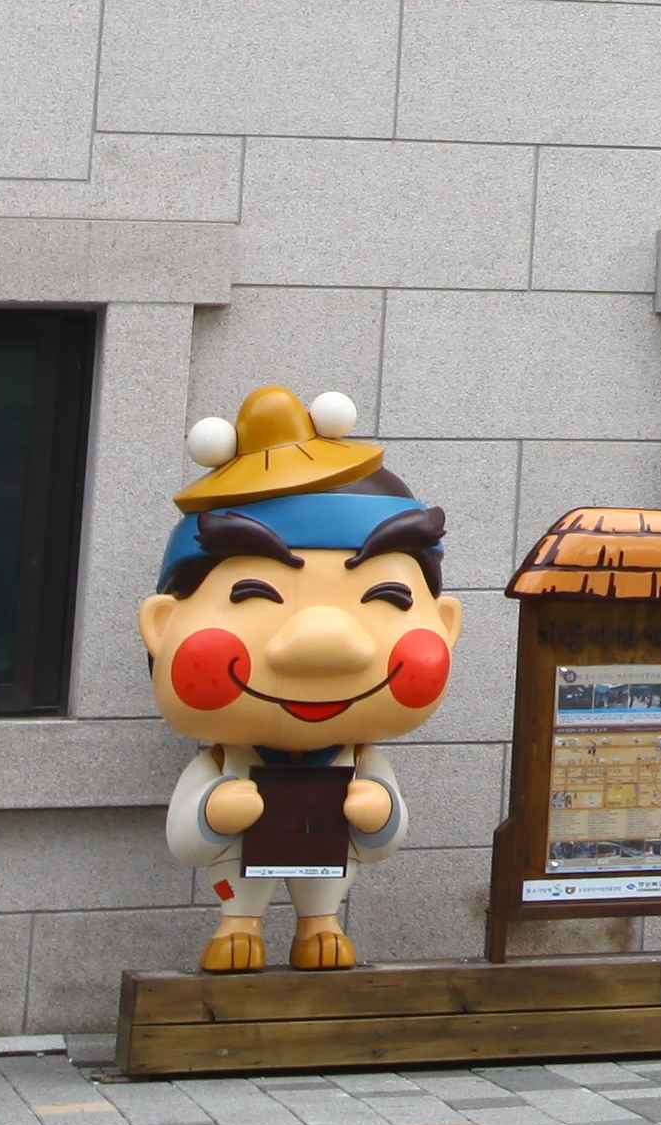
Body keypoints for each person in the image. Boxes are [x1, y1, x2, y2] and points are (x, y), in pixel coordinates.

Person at [142, 385, 463, 974]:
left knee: (329, 870)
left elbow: (382, 843)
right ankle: (239, 922)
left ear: (446, 625)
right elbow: (186, 841)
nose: (324, 645)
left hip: (327, 847)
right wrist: (212, 813)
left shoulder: (355, 759)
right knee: (236, 870)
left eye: (387, 598)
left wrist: (378, 812)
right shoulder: (225, 762)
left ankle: (320, 921)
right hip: (240, 855)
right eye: (253, 596)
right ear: (163, 627)